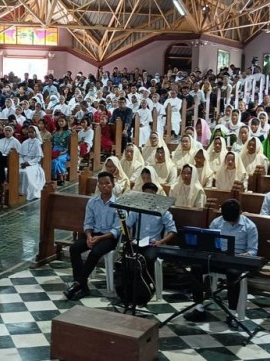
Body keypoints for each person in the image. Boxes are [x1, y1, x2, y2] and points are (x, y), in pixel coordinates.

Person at [183, 199, 258, 322]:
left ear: (240, 212)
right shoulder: (217, 223)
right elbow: (208, 243)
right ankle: (199, 308)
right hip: (217, 258)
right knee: (196, 267)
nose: (229, 221)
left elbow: (253, 250)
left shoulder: (250, 226)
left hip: (236, 260)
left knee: (233, 274)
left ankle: (232, 312)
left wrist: (245, 254)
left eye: (232, 219)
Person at [64, 171, 120, 301]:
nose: (104, 186)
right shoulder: (92, 202)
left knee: (95, 252)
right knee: (74, 248)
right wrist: (89, 237)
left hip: (109, 237)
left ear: (113, 184)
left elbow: (117, 229)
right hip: (93, 234)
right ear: (98, 186)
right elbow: (88, 223)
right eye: (101, 184)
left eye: (107, 183)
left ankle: (77, 284)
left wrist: (99, 238)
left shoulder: (118, 204)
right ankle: (83, 287)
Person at [126, 182, 177, 277]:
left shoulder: (163, 211)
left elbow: (172, 231)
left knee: (148, 258)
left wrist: (161, 242)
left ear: (155, 195)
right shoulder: (136, 209)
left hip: (153, 244)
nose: (148, 197)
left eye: (151, 194)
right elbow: (127, 225)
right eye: (146, 194)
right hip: (137, 242)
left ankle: (148, 284)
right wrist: (130, 239)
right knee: (127, 258)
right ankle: (130, 284)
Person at [18, 126, 45, 200]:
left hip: (34, 163)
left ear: (36, 133)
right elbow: (21, 155)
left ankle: (26, 192)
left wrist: (28, 163)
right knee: (11, 170)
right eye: (29, 132)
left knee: (26, 172)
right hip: (23, 162)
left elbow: (38, 158)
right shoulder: (25, 142)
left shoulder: (38, 143)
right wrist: (21, 162)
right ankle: (17, 191)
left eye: (32, 132)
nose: (30, 134)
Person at [50, 117, 71, 185]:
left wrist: (61, 153)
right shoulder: (54, 132)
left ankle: (59, 176)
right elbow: (52, 144)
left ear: (66, 122)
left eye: (62, 121)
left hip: (64, 152)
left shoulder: (68, 133)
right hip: (54, 151)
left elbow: (68, 147)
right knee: (51, 160)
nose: (61, 123)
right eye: (59, 121)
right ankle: (60, 176)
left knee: (57, 161)